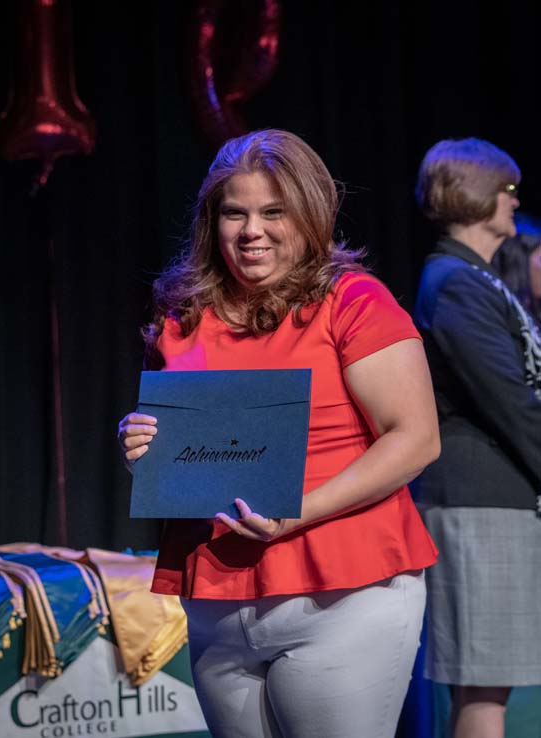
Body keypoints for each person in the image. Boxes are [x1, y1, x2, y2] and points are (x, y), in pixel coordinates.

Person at [118, 129, 440, 738]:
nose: (251, 231)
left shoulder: (354, 302)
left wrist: (298, 513)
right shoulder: (183, 316)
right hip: (217, 596)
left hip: (344, 593)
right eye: (233, 213)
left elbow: (416, 438)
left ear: (310, 215)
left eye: (273, 212)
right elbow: (190, 453)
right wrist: (146, 452)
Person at [412, 138, 541, 738]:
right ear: (475, 194)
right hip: (476, 502)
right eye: (507, 190)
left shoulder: (480, 280)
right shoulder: (455, 281)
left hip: (500, 499)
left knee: (491, 686)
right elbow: (511, 402)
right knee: (484, 689)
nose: (515, 202)